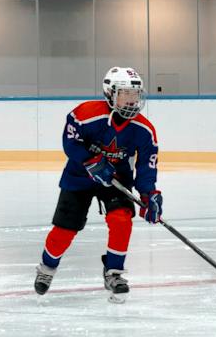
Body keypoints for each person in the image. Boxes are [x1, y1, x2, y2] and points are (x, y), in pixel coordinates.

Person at [34, 66, 161, 303]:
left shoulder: (144, 130)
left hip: (115, 179)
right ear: (110, 94)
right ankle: (47, 268)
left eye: (135, 94)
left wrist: (149, 194)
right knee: (65, 230)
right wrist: (90, 161)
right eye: (125, 94)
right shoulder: (86, 114)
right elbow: (70, 142)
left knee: (122, 219)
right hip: (79, 176)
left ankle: (114, 272)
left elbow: (146, 167)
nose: (132, 101)